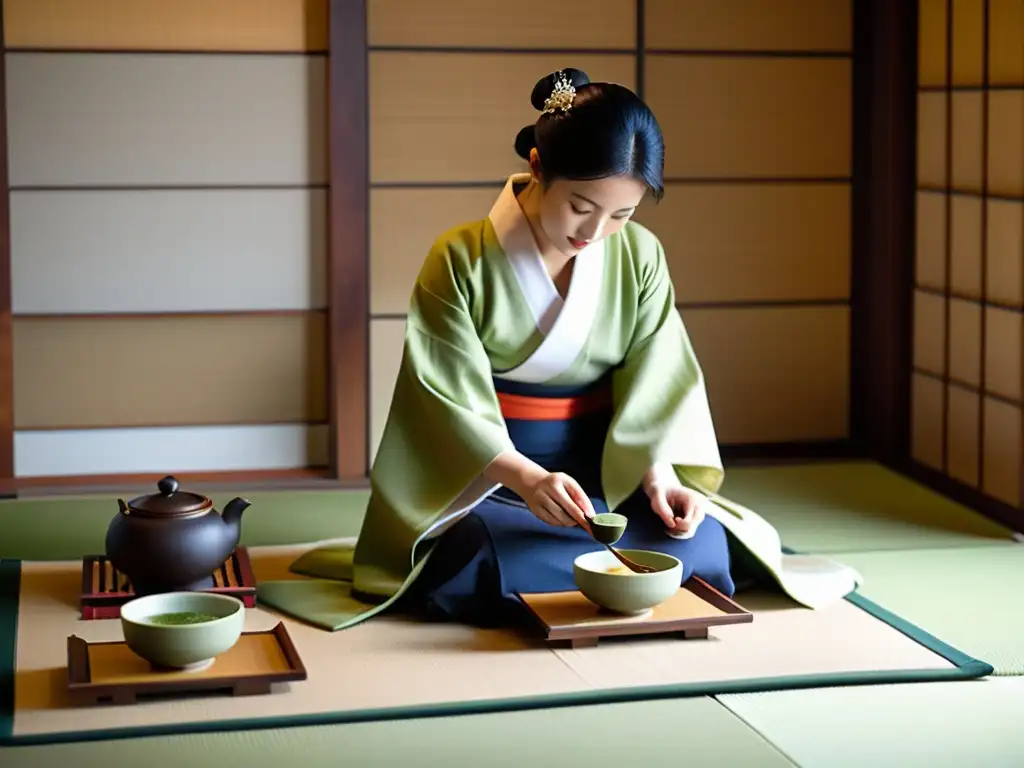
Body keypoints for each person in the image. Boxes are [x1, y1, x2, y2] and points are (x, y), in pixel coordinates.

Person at [256, 69, 861, 631]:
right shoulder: (460, 259)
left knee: (700, 543)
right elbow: (442, 396)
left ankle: (587, 559)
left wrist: (659, 475)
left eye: (621, 214)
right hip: (493, 482)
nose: (595, 232)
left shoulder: (640, 256)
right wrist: (524, 477)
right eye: (580, 206)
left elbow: (657, 377)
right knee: (483, 555)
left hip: (606, 471)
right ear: (539, 165)